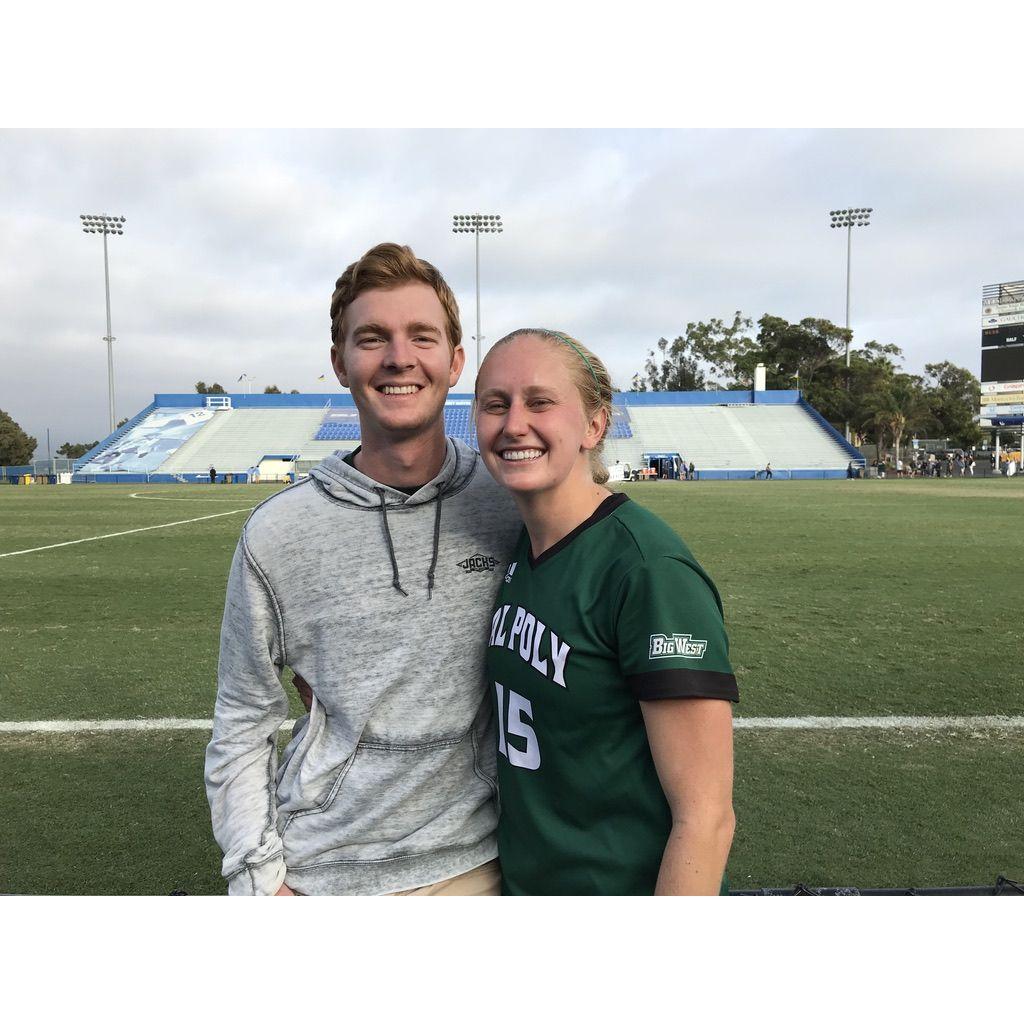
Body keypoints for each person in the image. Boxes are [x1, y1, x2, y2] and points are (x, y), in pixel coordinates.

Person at [204, 243, 520, 895]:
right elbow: (242, 720)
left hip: (480, 863)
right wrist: (259, 882)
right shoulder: (278, 534)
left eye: (421, 337)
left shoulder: (511, 504)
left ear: (456, 361)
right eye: (372, 338)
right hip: (324, 871)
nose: (399, 358)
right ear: (339, 362)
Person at [474, 329, 737, 895]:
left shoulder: (647, 569)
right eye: (495, 404)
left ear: (595, 425)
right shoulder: (523, 543)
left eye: (540, 402)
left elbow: (707, 819)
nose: (513, 423)